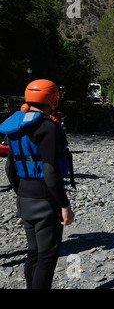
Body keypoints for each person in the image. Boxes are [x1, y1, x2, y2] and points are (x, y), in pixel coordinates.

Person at [0, 79, 75, 289]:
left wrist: (21, 191)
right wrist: (65, 205)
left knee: (33, 253)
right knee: (47, 256)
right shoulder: (47, 127)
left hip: (24, 196)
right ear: (53, 99)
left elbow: (10, 168)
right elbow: (51, 172)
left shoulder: (16, 125)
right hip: (45, 198)